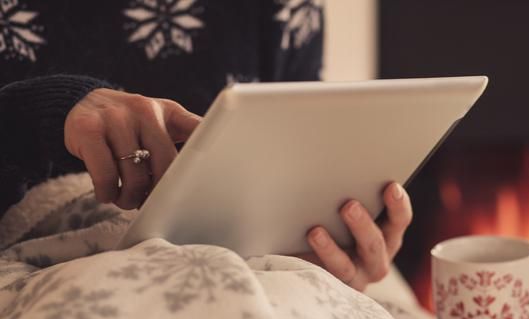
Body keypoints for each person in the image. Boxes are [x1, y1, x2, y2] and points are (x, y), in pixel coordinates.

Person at [0, 0, 412, 291]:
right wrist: (44, 114)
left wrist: (329, 250)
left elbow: (290, 163)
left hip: (257, 273)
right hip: (49, 265)